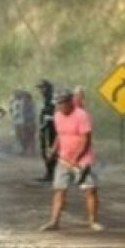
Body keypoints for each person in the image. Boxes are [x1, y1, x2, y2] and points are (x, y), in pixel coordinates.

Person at [41, 89, 102, 232]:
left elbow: (86, 140)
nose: (59, 107)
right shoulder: (57, 116)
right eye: (57, 104)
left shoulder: (82, 116)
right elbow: (59, 135)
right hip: (64, 159)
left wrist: (77, 158)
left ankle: (93, 222)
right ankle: (54, 222)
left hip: (83, 160)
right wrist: (53, 149)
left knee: (90, 190)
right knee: (59, 190)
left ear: (70, 102)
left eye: (61, 104)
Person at [36, 79, 57, 181]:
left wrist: (44, 124)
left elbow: (52, 114)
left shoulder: (51, 98)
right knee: (45, 150)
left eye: (42, 88)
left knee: (49, 150)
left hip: (50, 128)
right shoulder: (45, 99)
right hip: (46, 127)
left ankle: (51, 173)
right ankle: (49, 172)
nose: (40, 90)